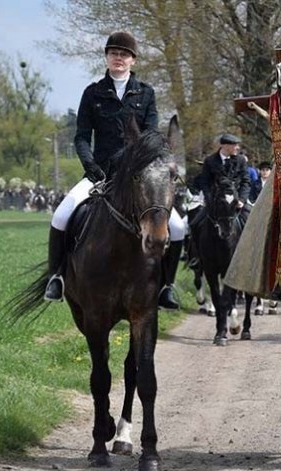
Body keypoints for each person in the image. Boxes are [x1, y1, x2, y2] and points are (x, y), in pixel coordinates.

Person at [44, 31, 186, 310]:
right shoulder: (93, 92)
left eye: (124, 54)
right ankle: (57, 277)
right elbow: (82, 136)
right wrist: (90, 166)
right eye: (114, 53)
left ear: (133, 60)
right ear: (107, 57)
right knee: (61, 215)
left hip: (137, 176)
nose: (118, 58)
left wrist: (147, 168)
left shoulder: (145, 93)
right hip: (101, 172)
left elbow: (151, 137)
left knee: (178, 226)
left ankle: (166, 286)